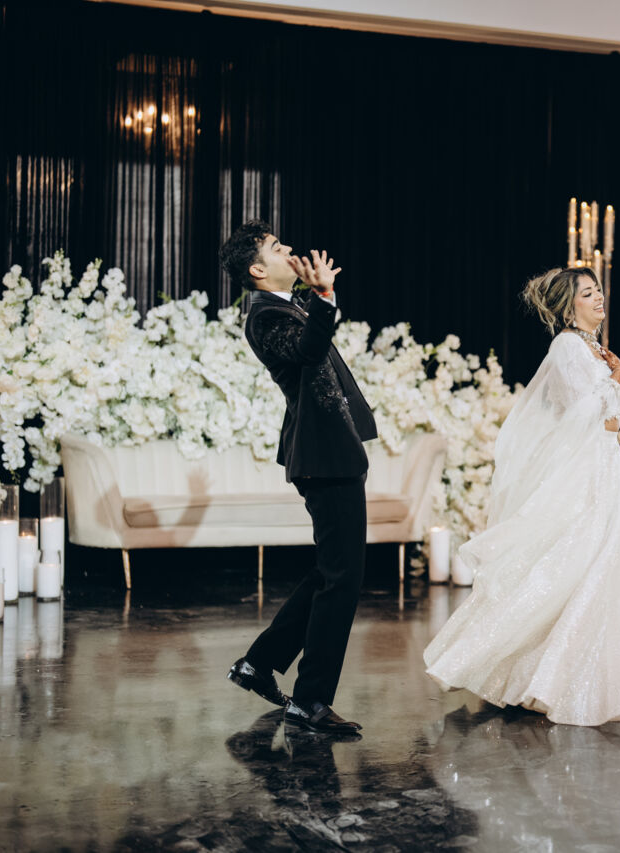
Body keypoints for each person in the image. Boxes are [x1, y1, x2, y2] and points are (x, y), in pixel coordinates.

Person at [422, 267, 620, 726]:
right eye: (588, 293)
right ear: (569, 308)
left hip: (605, 465)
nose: (599, 297)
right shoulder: (567, 347)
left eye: (599, 289)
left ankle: (597, 679)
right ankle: (536, 674)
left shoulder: (592, 347)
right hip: (585, 469)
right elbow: (586, 413)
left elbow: (612, 413)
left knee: (609, 565)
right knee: (574, 561)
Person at [217, 220, 378, 734]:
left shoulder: (288, 305)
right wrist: (324, 297)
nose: (289, 249)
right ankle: (310, 701)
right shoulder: (264, 316)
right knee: (342, 579)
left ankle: (258, 663)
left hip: (331, 452)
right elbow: (308, 350)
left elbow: (314, 339)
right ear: (257, 270)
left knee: (333, 571)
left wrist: (318, 296)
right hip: (323, 456)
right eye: (276, 247)